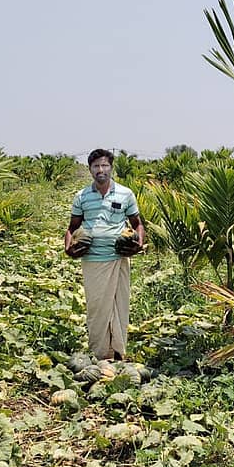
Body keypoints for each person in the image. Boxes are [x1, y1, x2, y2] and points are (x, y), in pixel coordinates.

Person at [64, 149, 145, 361]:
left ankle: (118, 352)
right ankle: (100, 354)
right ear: (90, 170)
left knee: (119, 306)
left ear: (111, 167)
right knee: (97, 308)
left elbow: (137, 224)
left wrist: (138, 244)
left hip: (118, 258)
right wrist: (69, 248)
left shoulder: (125, 194)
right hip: (93, 260)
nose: (101, 170)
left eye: (105, 165)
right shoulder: (81, 196)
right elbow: (72, 229)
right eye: (96, 166)